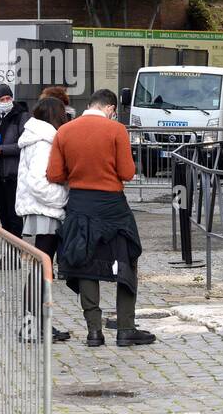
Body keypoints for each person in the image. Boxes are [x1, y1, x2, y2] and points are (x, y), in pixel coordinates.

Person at [47, 89, 155, 348]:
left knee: (85, 265)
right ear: (110, 108)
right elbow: (128, 172)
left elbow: (53, 173)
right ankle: (126, 328)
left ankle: (94, 332)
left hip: (80, 205)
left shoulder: (64, 131)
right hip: (112, 208)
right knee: (126, 261)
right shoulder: (115, 130)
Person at [15, 96, 72, 343]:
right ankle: (32, 325)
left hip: (44, 208)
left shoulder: (39, 138)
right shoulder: (43, 142)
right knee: (42, 268)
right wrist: (62, 200)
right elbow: (38, 182)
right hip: (46, 209)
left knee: (41, 268)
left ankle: (36, 323)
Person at [0, 83, 30, 237]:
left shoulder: (22, 116)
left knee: (14, 215)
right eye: (2, 99)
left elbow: (23, 144)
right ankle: (9, 251)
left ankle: (16, 251)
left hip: (13, 172)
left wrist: (1, 149)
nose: (5, 101)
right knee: (3, 214)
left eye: (8, 98)